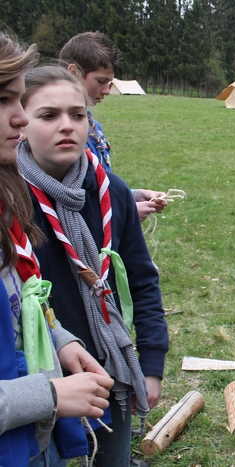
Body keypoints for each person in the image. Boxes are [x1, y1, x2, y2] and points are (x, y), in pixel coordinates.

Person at [17, 65, 169, 467]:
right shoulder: (11, 198)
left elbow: (142, 280)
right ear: (20, 123)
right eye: (48, 115)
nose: (67, 125)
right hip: (38, 373)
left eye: (78, 114)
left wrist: (151, 363)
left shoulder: (112, 191)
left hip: (109, 368)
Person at [0, 33, 113, 467]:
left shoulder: (6, 203)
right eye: (4, 101)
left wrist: (58, 338)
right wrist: (47, 394)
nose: (20, 118)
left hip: (30, 439)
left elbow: (19, 301)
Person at [59, 32, 167, 222]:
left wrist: (132, 195)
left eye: (109, 83)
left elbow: (99, 185)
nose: (107, 91)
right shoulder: (58, 134)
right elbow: (66, 204)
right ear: (73, 73)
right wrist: (125, 212)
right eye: (101, 81)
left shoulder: (94, 128)